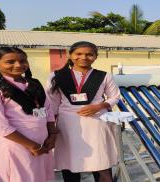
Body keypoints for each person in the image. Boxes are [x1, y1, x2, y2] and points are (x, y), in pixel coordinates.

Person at [0, 47, 56, 182]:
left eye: (23, 61)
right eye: (10, 62)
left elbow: (48, 111)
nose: (18, 65)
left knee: (41, 177)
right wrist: (33, 146)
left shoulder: (33, 83)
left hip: (42, 143)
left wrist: (52, 135)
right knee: (20, 177)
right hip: (15, 145)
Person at [46, 41, 120, 182]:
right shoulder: (56, 76)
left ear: (95, 56)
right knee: (70, 160)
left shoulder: (104, 76)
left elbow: (115, 97)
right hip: (67, 124)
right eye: (78, 54)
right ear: (71, 55)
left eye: (89, 54)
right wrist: (51, 127)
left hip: (96, 122)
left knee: (100, 159)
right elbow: (52, 103)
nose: (84, 57)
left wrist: (99, 106)